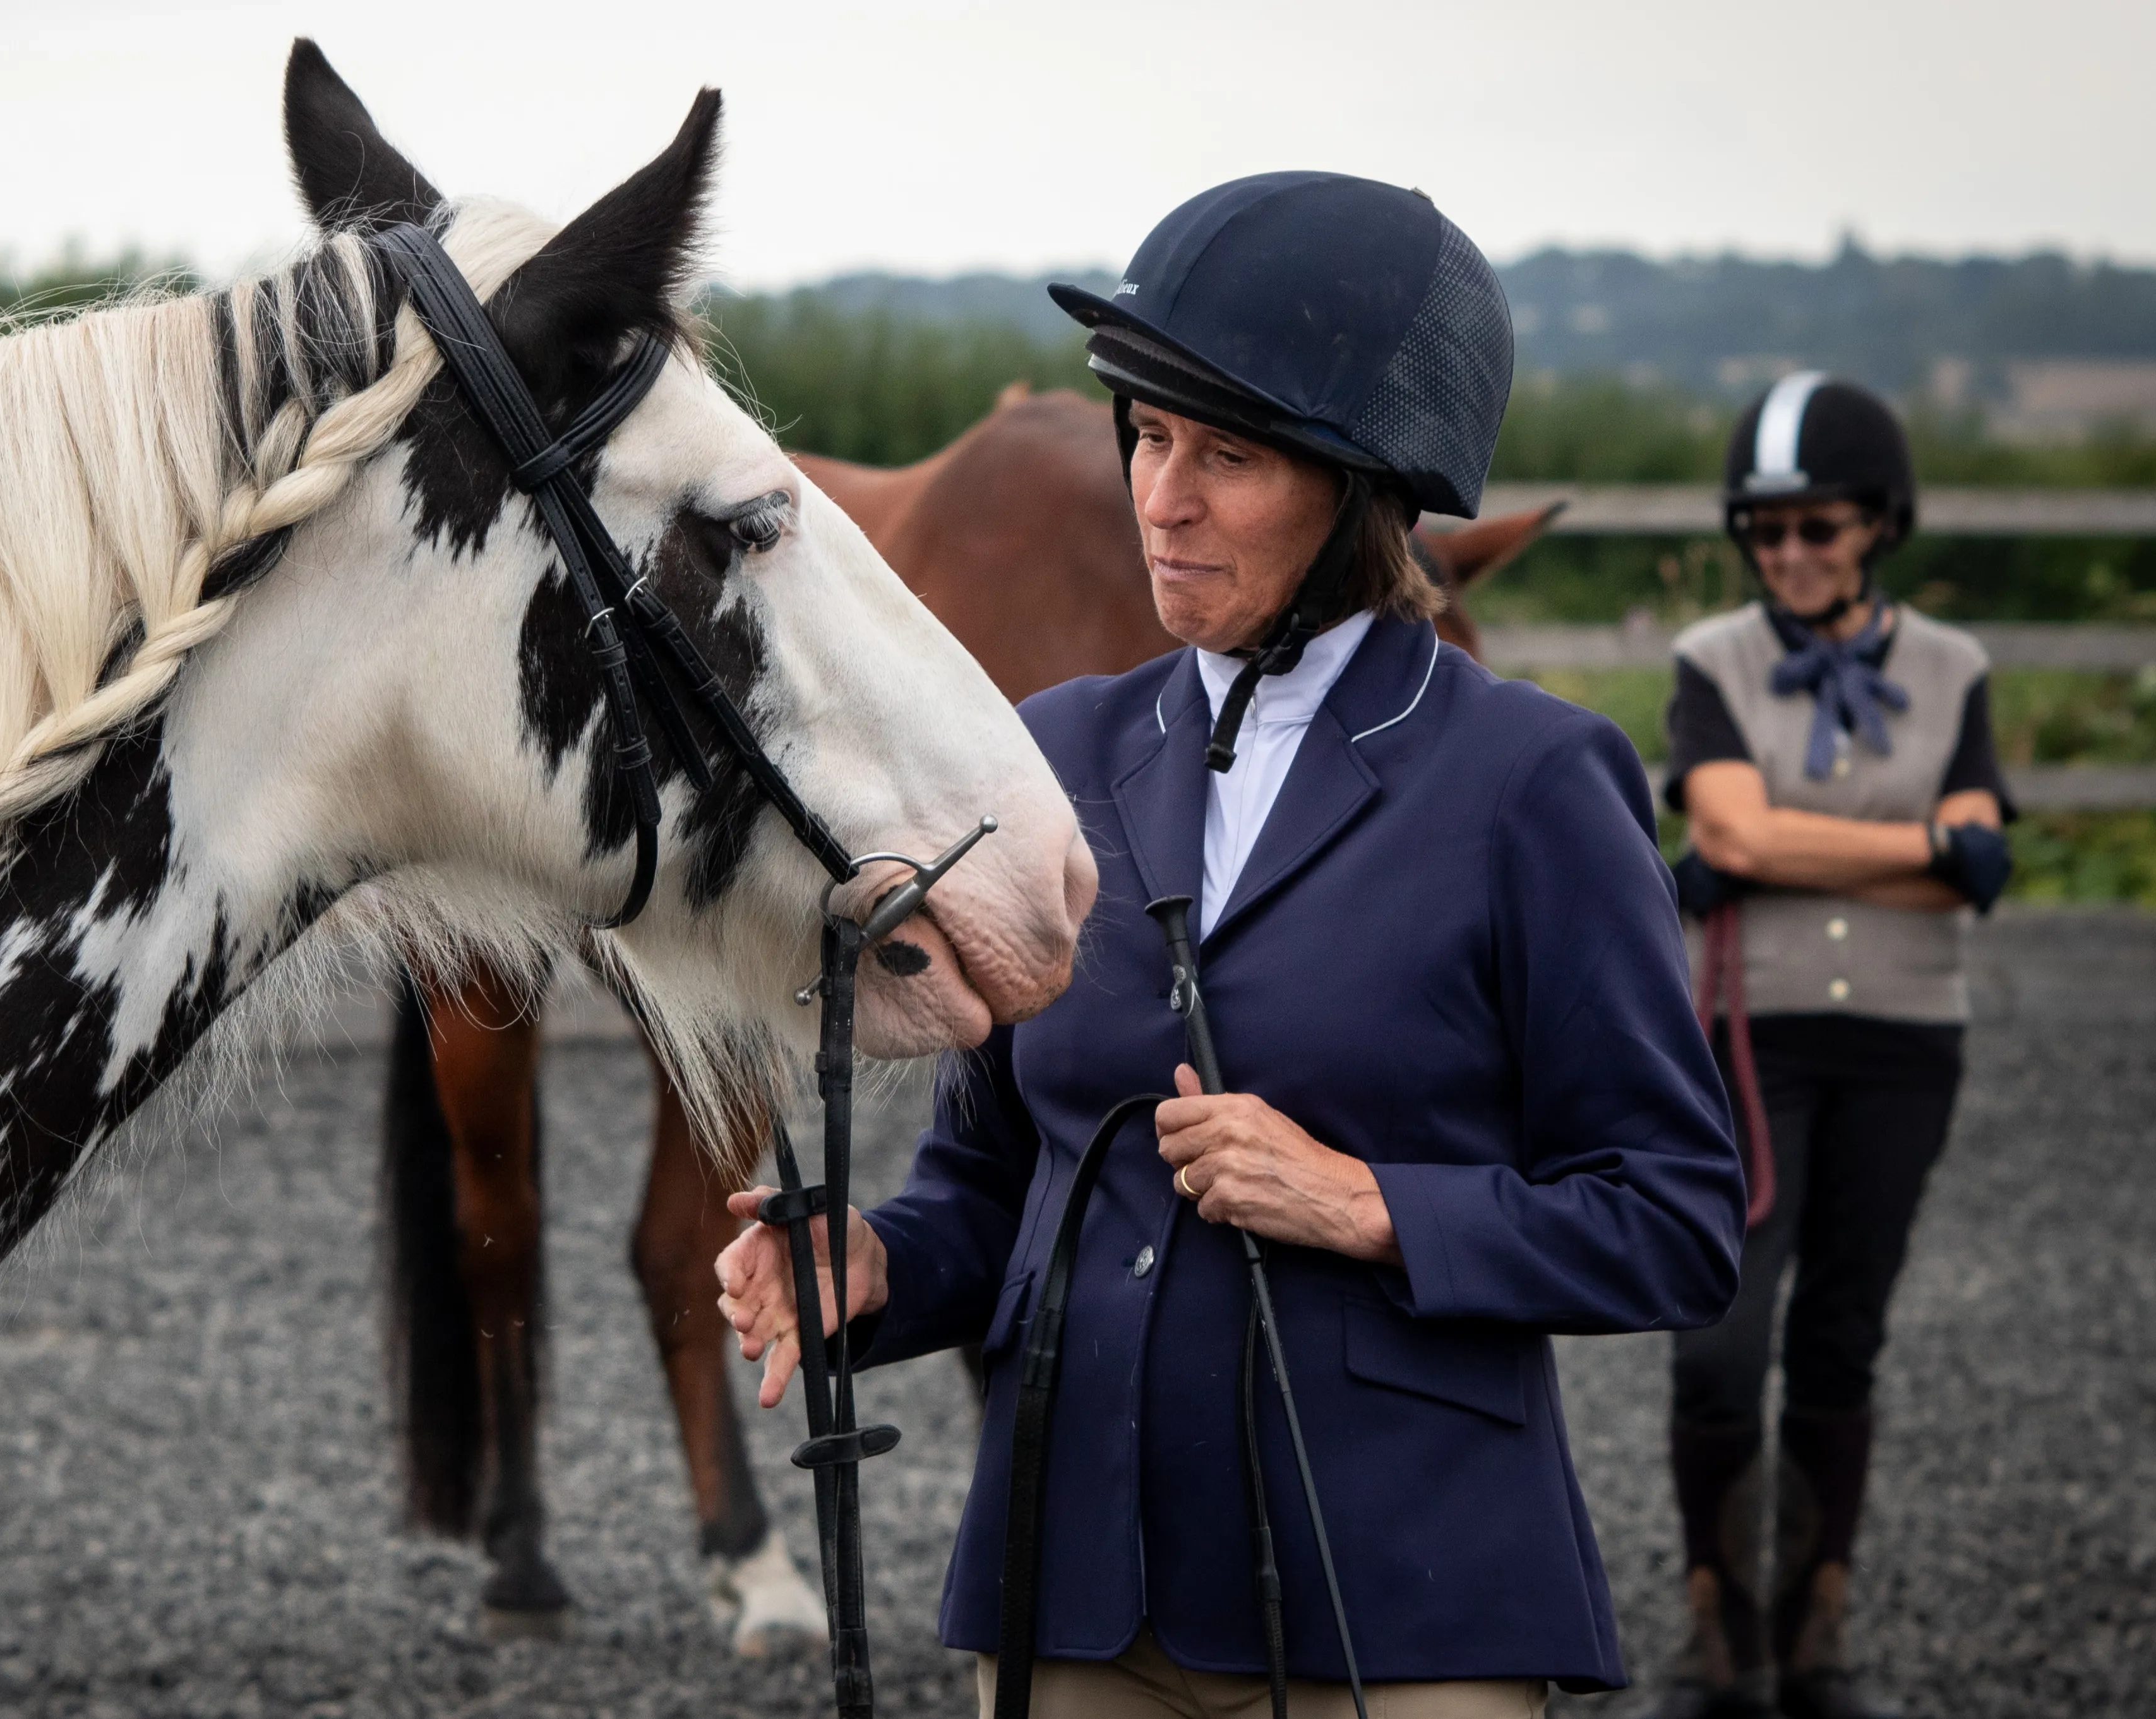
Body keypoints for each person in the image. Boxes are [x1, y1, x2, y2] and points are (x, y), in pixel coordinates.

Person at [716, 172, 1749, 1718]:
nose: (1159, 495)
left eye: (1228, 455)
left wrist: (1367, 1204)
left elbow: (1673, 1214)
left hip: (1398, 1604)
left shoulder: (1531, 780)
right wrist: (870, 1267)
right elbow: (995, 1181)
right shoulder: (1047, 752)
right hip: (1071, 1587)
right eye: (1146, 436)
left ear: (1361, 486)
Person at [1656, 375, 2009, 1719]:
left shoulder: (1953, 669)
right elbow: (1736, 836)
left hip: (1907, 1046)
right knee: (1716, 1342)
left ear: (1875, 525)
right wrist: (1920, 842)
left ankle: (1815, 1626)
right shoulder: (1711, 659)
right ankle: (1712, 1623)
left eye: (1815, 528)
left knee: (1841, 1337)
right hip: (1749, 1041)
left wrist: (1781, 847)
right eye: (1765, 532)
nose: (1788, 554)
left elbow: (1975, 873)